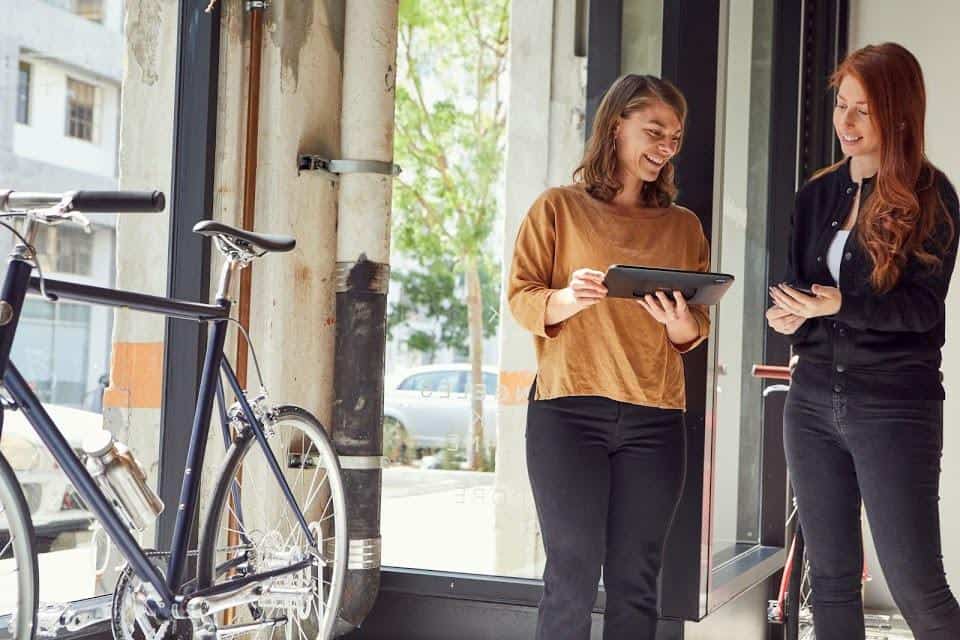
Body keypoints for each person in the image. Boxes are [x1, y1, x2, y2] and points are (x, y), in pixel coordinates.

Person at [507, 74, 711, 640]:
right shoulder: (558, 209)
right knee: (571, 574)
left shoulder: (683, 226)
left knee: (636, 582)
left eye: (674, 137)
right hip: (568, 412)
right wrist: (569, 297)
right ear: (615, 125)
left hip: (655, 417)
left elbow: (696, 327)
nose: (666, 147)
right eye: (654, 131)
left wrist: (680, 323)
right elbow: (521, 298)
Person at [767, 42, 960, 640]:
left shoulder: (934, 197)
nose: (845, 124)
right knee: (827, 580)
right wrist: (789, 316)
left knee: (917, 588)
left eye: (862, 111)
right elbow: (796, 288)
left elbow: (924, 309)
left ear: (898, 116)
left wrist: (841, 303)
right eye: (840, 106)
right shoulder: (815, 194)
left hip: (894, 407)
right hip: (812, 399)